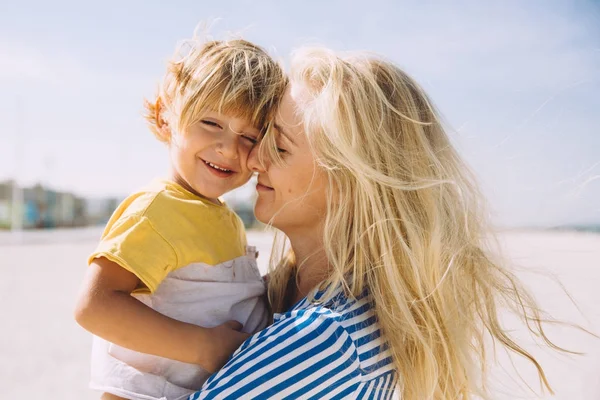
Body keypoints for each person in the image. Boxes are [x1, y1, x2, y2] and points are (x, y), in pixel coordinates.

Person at [187, 47, 577, 400]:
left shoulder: (329, 338)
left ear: (351, 183)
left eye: (281, 147)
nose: (254, 161)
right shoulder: (295, 298)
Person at [74, 31, 287, 400]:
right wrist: (205, 348)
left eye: (249, 137)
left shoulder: (221, 217)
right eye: (211, 123)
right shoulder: (156, 209)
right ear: (165, 117)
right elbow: (94, 306)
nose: (228, 148)